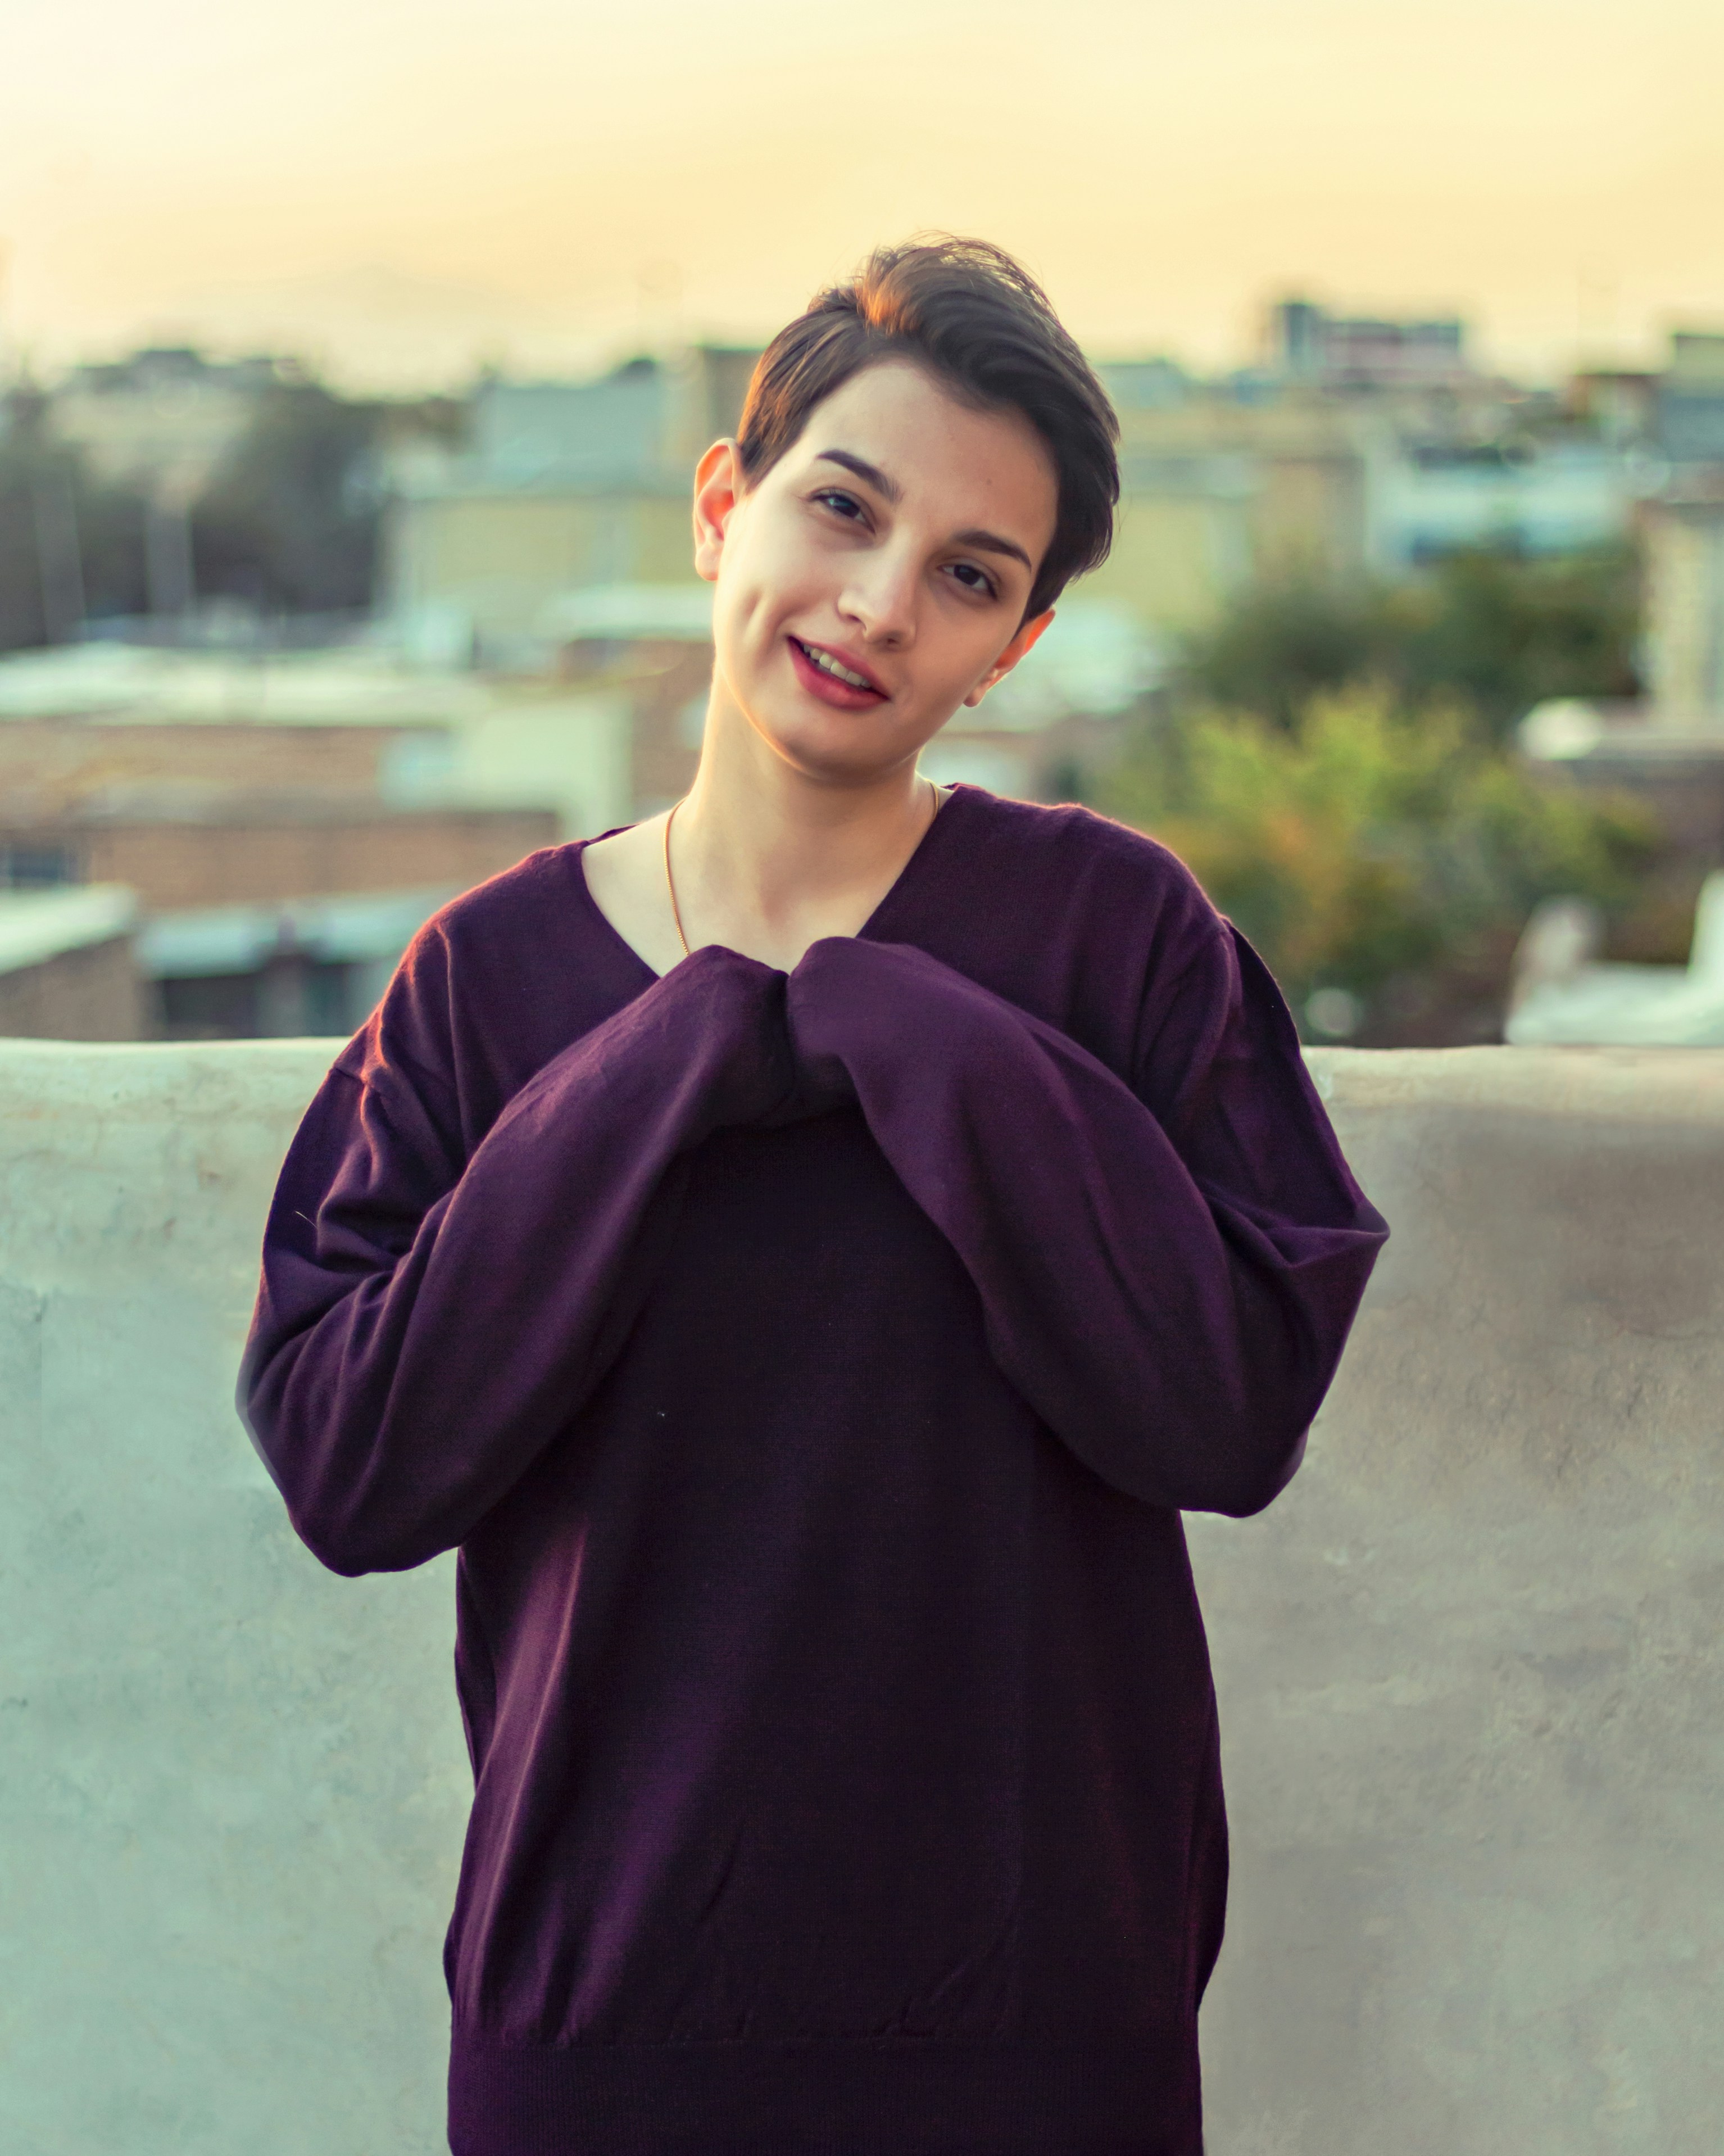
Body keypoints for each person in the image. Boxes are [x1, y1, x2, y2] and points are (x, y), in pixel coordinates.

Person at [239, 237, 1387, 2156]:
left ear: (1014, 643)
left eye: (968, 576)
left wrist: (895, 1022)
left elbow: (1232, 1404)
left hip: (1042, 2037)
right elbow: (356, 1467)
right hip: (599, 2033)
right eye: (840, 509)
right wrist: (677, 1052)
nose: (876, 605)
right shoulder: (486, 982)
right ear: (721, 502)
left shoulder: (1113, 938)